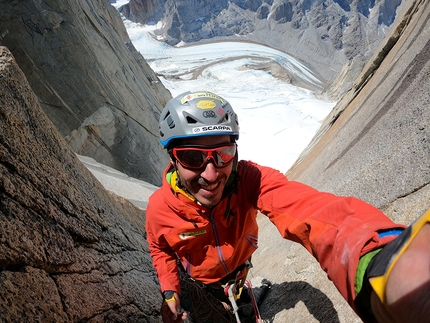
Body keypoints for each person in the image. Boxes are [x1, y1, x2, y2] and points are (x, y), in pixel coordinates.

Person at [146, 90, 430, 323]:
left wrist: (379, 260)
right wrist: (171, 292)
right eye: (193, 158)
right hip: (201, 286)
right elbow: (161, 249)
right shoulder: (160, 208)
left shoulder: (250, 180)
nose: (211, 174)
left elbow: (313, 212)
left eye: (223, 153)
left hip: (238, 277)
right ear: (172, 158)